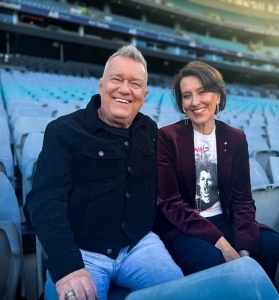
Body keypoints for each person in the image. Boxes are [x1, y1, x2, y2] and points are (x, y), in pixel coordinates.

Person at [25, 45, 183, 300]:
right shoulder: (63, 131)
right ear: (101, 85)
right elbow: (45, 201)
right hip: (82, 252)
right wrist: (68, 267)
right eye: (116, 79)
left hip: (139, 244)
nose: (124, 89)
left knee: (185, 293)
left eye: (135, 83)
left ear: (144, 93)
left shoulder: (151, 129)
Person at [153, 61, 279, 281]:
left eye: (202, 92)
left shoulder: (235, 138)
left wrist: (245, 248)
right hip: (185, 226)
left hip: (227, 219)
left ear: (217, 95)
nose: (194, 102)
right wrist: (223, 244)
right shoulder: (168, 137)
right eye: (186, 95)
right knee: (215, 267)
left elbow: (242, 200)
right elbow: (171, 203)